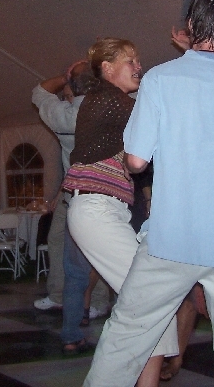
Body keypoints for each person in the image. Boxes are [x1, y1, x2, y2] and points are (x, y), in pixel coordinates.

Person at [82, 0, 214, 387]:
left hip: (173, 239)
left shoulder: (160, 79)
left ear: (191, 24)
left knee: (127, 339)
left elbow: (136, 161)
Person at [64, 37, 179, 387]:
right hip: (95, 209)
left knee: (151, 304)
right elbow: (163, 117)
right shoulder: (109, 100)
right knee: (149, 296)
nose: (138, 67)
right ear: (107, 68)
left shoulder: (113, 103)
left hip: (104, 211)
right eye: (131, 60)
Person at [30, 62, 112, 351]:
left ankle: (71, 332)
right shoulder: (112, 110)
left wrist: (64, 76)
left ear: (73, 88)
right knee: (106, 260)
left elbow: (38, 92)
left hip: (77, 196)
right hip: (105, 197)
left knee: (76, 267)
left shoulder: (63, 116)